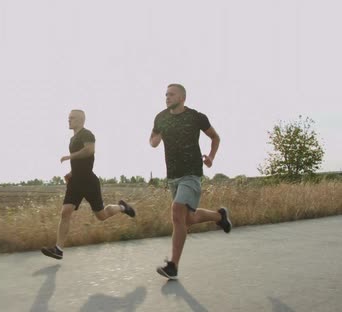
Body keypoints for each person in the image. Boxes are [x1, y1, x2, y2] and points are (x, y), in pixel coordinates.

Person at [150, 84, 232, 279]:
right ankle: (219, 216)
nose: (167, 97)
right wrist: (155, 139)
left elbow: (215, 137)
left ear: (182, 97)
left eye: (171, 94)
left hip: (192, 173)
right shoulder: (161, 117)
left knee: (177, 211)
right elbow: (153, 140)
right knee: (186, 220)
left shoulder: (196, 117)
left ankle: (173, 266)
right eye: (166, 94)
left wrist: (211, 156)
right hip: (173, 175)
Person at [41, 109, 136, 260]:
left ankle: (123, 207)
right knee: (65, 212)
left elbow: (89, 151)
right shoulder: (72, 139)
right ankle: (58, 249)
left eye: (72, 118)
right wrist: (71, 172)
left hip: (89, 182)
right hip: (75, 182)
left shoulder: (87, 134)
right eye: (68, 118)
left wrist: (69, 156)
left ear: (80, 120)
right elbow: (80, 161)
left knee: (101, 215)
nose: (69, 120)